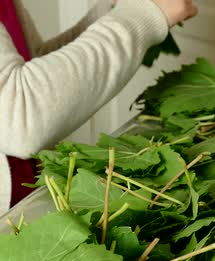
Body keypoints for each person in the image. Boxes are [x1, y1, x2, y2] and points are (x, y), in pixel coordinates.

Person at [0, 0, 198, 214]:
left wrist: (111, 10)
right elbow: (20, 119)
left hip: (22, 208)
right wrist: (145, 15)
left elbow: (34, 65)